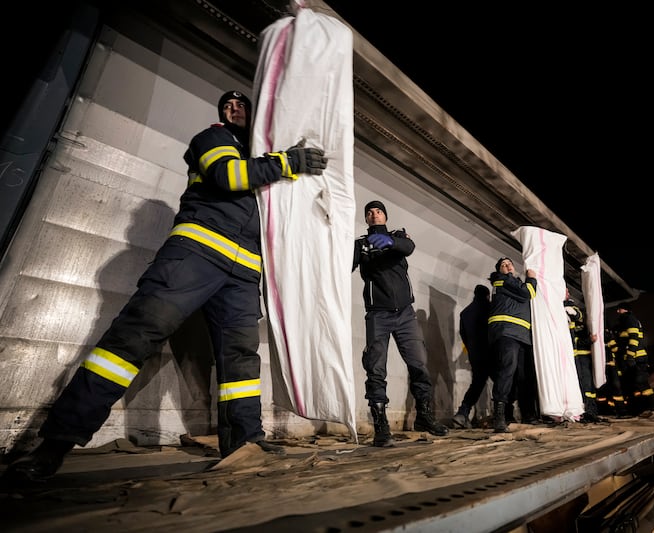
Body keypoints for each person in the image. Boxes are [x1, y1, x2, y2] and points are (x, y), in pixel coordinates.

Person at [3, 90, 328, 482]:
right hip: (195, 253)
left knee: (240, 361)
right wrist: (289, 161)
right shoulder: (214, 139)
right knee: (132, 339)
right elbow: (229, 177)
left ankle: (245, 442)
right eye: (227, 105)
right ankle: (55, 444)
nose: (232, 108)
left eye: (241, 104)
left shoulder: (267, 165)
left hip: (243, 273)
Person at [352, 200, 449, 447]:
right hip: (378, 315)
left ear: (385, 216)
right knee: (376, 369)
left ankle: (424, 416)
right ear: (366, 219)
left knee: (419, 364)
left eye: (378, 211)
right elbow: (342, 267)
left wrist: (391, 242)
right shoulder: (360, 245)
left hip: (405, 314)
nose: (374, 215)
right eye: (370, 213)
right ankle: (381, 427)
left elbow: (409, 246)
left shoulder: (398, 237)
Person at [488, 257, 540, 432]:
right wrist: (531, 278)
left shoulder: (513, 282)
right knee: (507, 372)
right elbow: (528, 293)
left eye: (509, 263)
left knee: (525, 377)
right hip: (507, 332)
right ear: (499, 270)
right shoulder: (502, 280)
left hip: (522, 335)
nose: (508, 266)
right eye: (503, 265)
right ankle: (500, 416)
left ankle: (528, 414)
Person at [452, 284, 492, 429]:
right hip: (491, 352)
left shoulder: (465, 313)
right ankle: (504, 415)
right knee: (502, 383)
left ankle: (462, 413)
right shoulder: (491, 308)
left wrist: (471, 350)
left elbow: (464, 335)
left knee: (477, 384)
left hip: (475, 354)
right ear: (488, 295)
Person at [611, 302, 654, 415]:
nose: (618, 312)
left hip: (636, 358)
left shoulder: (629, 319)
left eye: (620, 309)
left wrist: (630, 355)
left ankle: (653, 407)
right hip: (632, 358)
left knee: (641, 383)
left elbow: (634, 338)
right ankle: (643, 408)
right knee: (634, 384)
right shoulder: (625, 321)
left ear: (625, 310)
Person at [564, 293, 603, 423]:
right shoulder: (565, 313)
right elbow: (574, 339)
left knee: (588, 385)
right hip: (576, 356)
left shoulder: (574, 311)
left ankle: (591, 411)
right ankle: (584, 412)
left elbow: (576, 315)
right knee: (582, 385)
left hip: (584, 356)